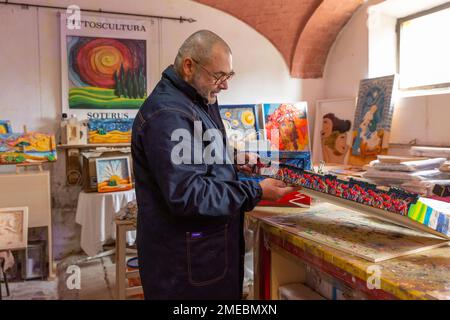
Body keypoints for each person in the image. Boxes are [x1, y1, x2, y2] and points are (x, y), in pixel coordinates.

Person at [131, 30, 298, 300]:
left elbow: (196, 149)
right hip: (186, 264)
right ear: (188, 66)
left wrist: (230, 158)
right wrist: (256, 191)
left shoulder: (196, 98)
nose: (225, 85)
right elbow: (189, 194)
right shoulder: (169, 114)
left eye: (229, 76)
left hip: (203, 254)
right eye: (219, 76)